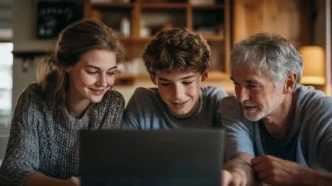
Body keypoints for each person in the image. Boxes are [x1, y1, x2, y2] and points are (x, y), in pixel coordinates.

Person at [0, 20, 126, 186]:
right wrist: (65, 185)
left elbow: (105, 171)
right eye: (92, 71)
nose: (103, 82)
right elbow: (12, 172)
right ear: (67, 65)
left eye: (111, 73)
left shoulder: (112, 104)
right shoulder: (34, 99)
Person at [219, 32, 332, 186]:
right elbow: (241, 159)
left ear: (288, 83)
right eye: (237, 84)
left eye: (252, 85)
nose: (241, 97)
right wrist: (236, 173)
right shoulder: (233, 108)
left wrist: (302, 177)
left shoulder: (322, 112)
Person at [121, 28, 228, 129]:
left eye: (187, 82)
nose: (178, 95)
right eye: (166, 84)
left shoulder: (217, 101)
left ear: (204, 73)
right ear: (153, 79)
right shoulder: (142, 102)